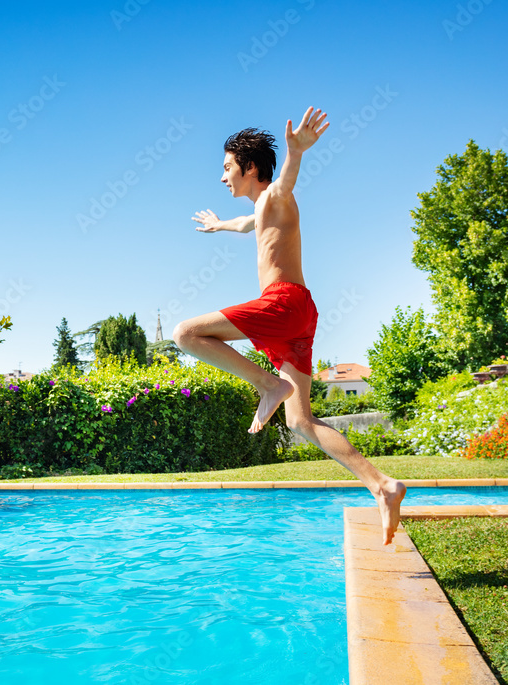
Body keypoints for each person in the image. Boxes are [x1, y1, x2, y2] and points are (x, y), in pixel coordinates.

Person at [172, 107, 406, 545]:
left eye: (227, 168)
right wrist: (220, 224)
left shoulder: (276, 194)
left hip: (283, 304)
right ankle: (382, 485)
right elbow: (248, 224)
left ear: (251, 168)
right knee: (301, 422)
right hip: (298, 317)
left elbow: (283, 184)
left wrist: (296, 153)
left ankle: (268, 386)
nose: (223, 177)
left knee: (184, 333)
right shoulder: (262, 209)